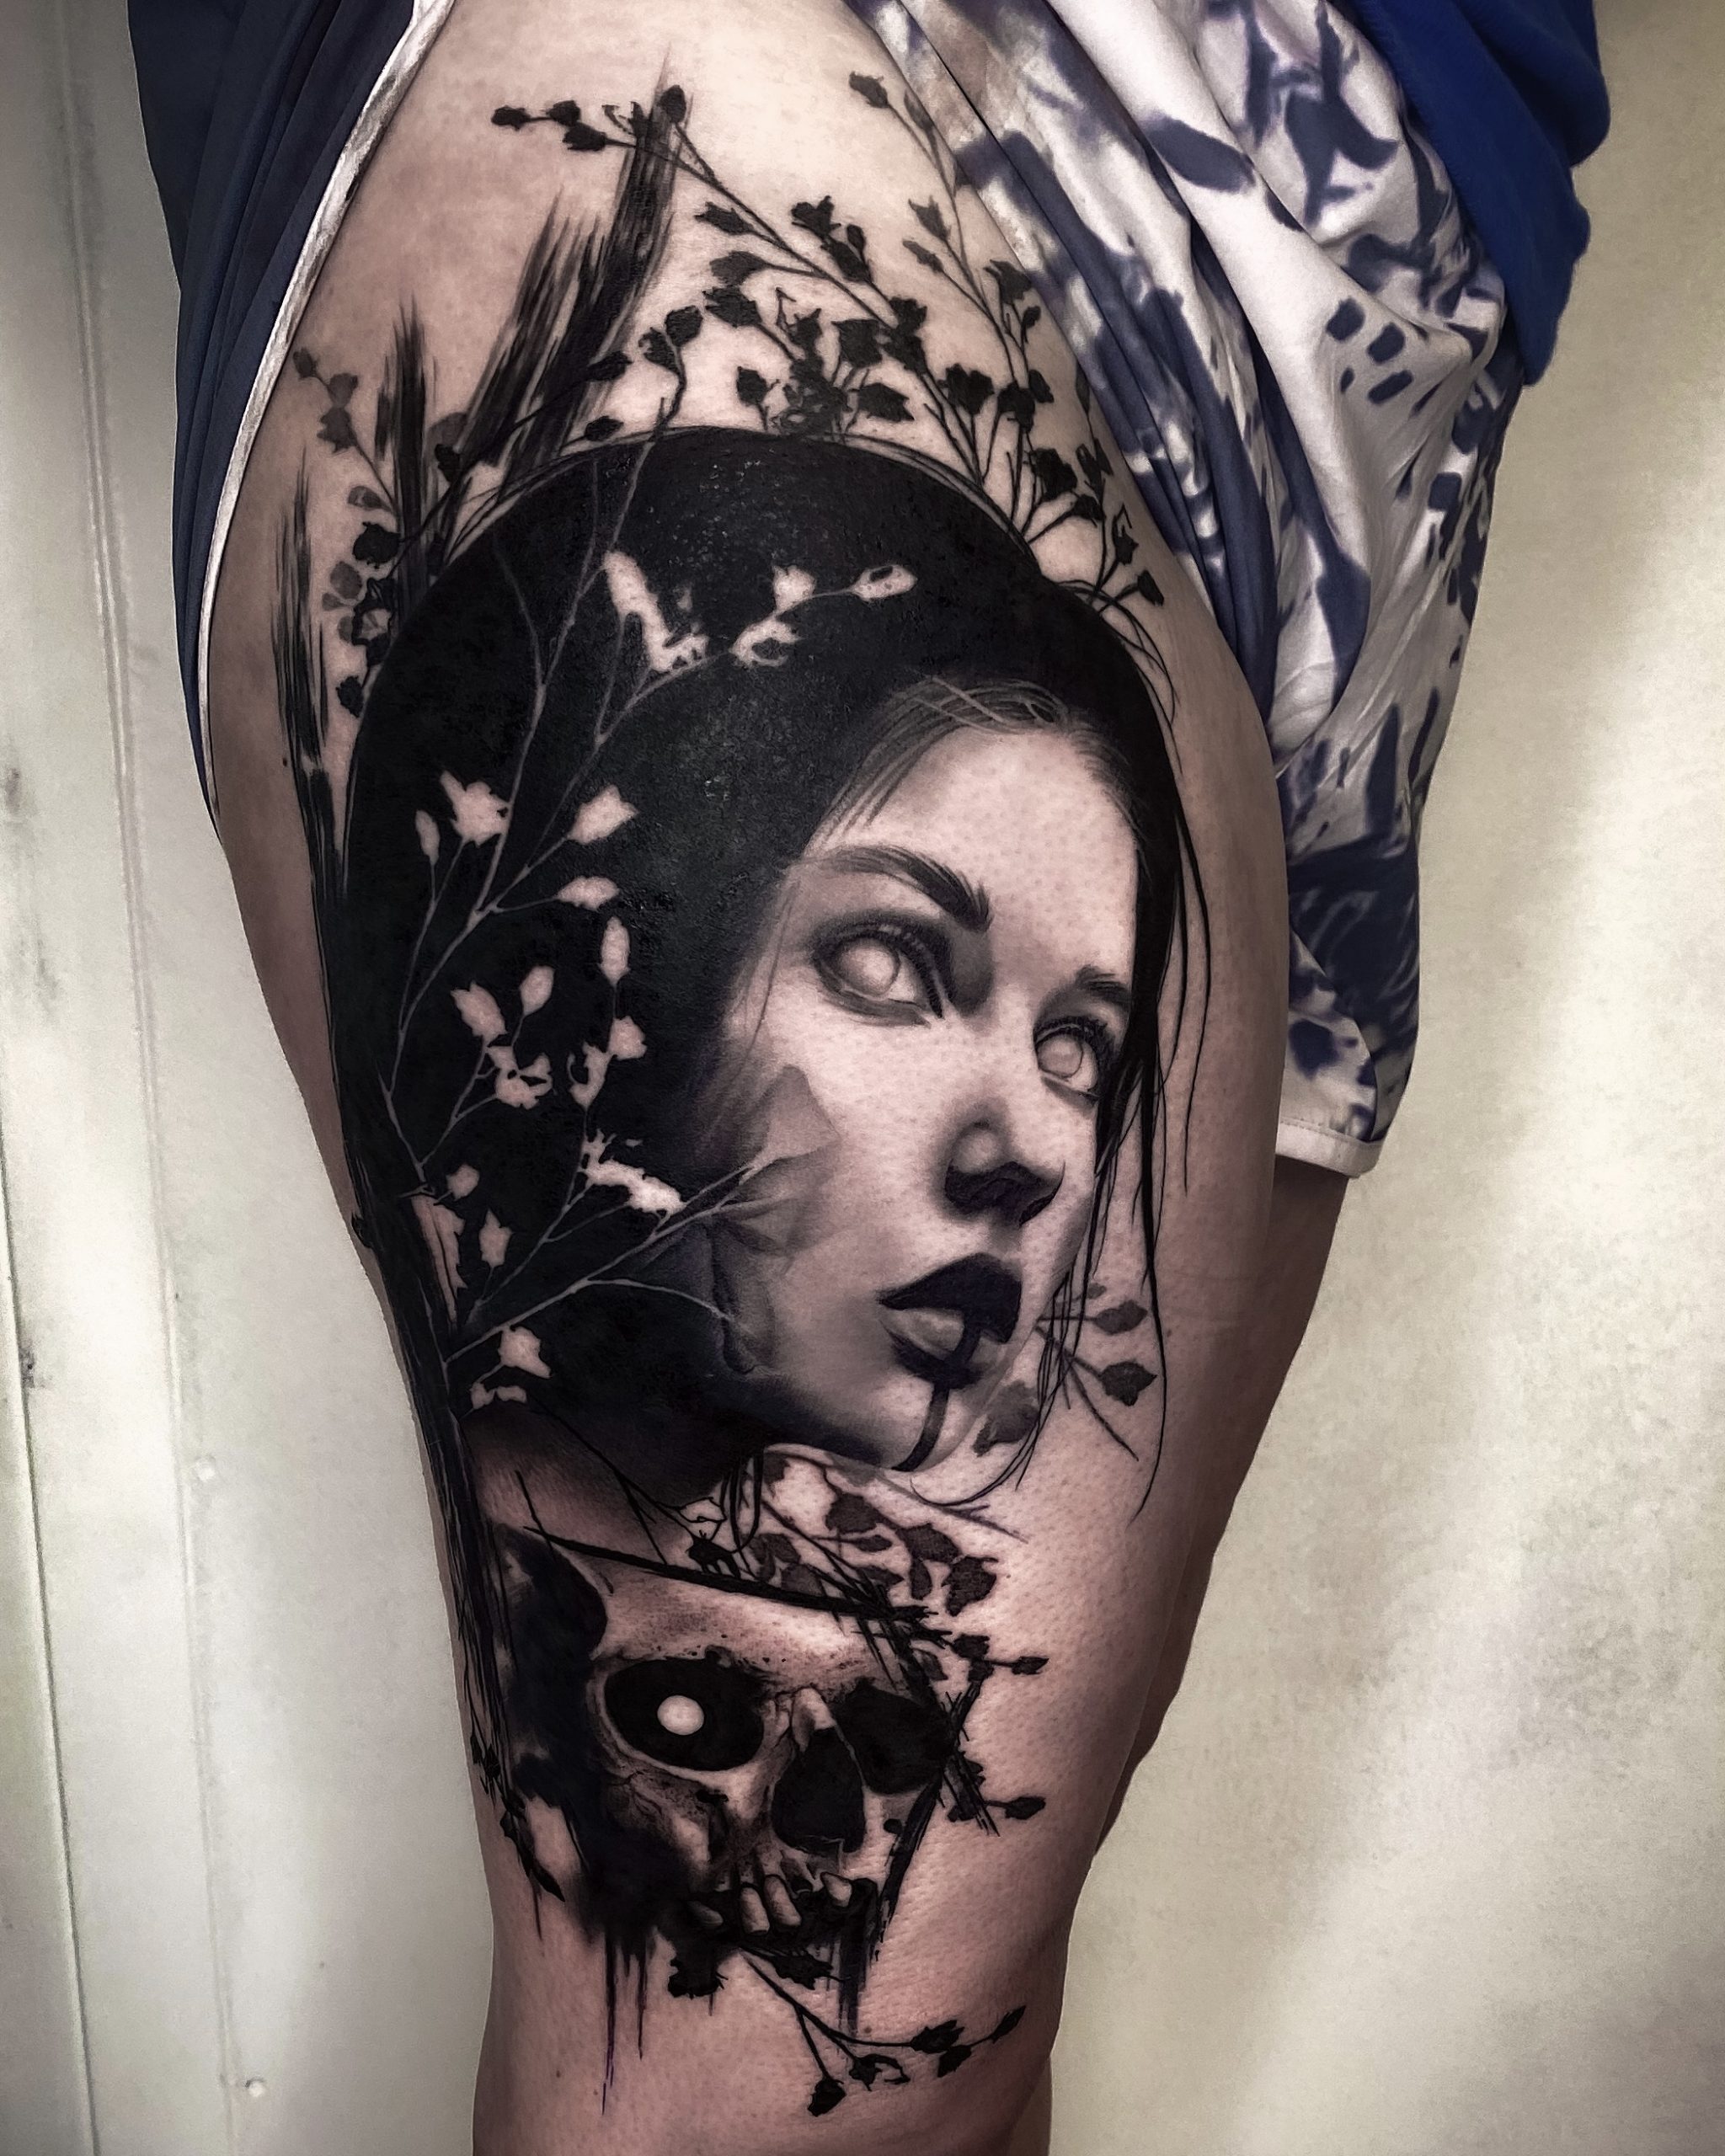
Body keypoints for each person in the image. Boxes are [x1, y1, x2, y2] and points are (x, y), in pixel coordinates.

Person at [126, 0, 1607, 2148]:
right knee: (758, 2102)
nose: (1038, 1151)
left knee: (942, 2046)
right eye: (899, 962)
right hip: (805, 54)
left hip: (1400, 252)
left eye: (1080, 1039)